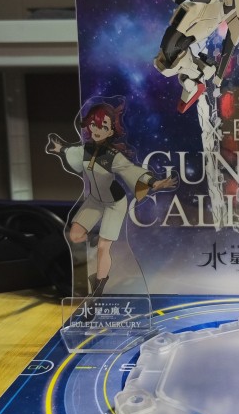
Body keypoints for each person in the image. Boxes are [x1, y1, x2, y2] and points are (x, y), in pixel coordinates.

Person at [47, 101, 176, 297]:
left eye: (104, 126)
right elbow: (70, 152)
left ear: (111, 131)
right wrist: (60, 148)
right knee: (75, 236)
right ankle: (96, 237)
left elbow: (131, 170)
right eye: (95, 124)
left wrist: (155, 183)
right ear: (89, 125)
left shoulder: (113, 156)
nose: (98, 130)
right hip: (94, 200)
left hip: (115, 203)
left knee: (102, 248)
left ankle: (98, 287)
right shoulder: (85, 149)